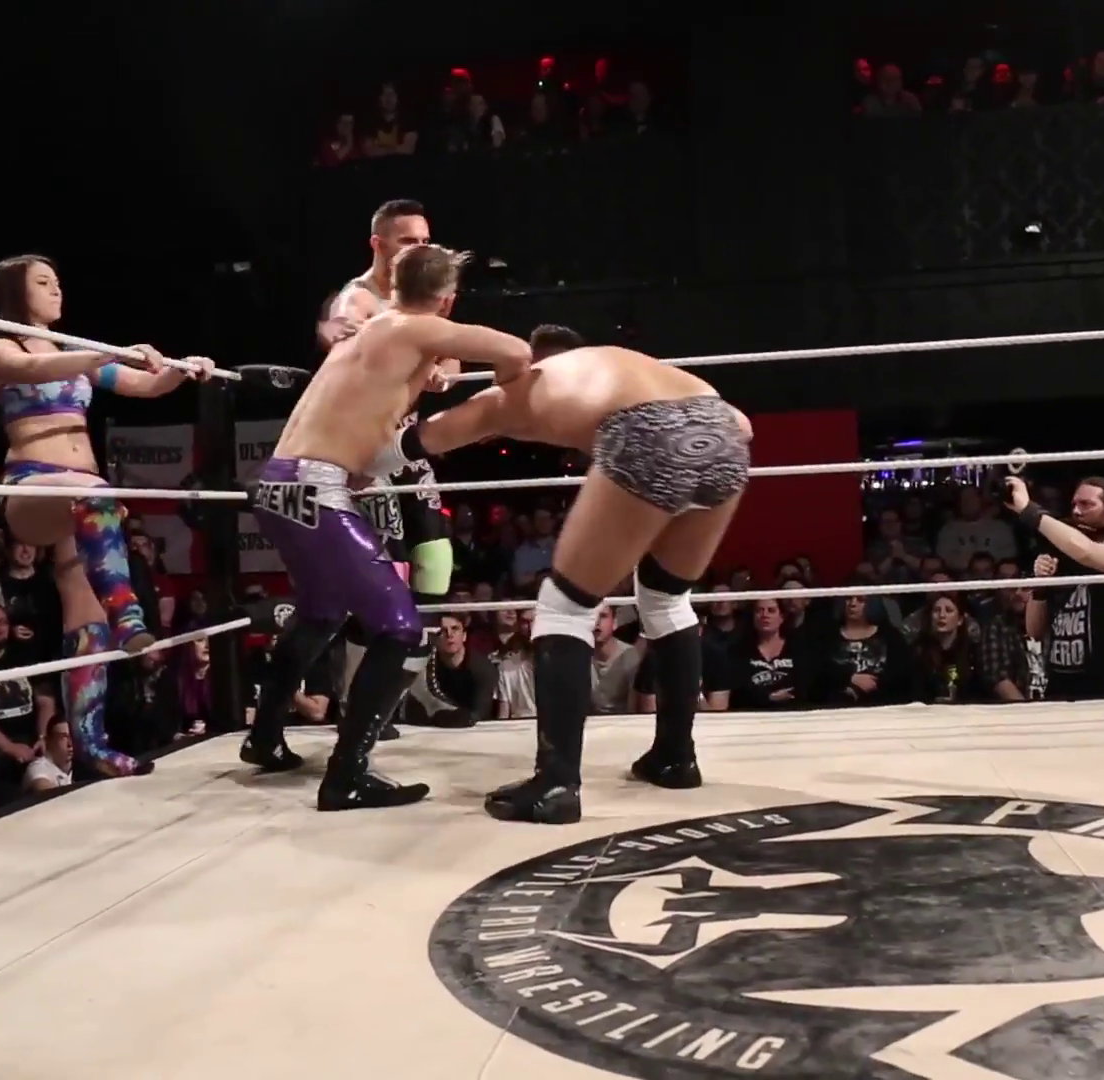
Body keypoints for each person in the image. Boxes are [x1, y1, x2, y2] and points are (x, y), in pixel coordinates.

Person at [362, 327, 752, 824]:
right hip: (722, 431)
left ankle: (556, 784)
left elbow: (424, 439)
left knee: (563, 606)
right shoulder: (622, 364)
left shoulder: (521, 388)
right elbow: (742, 425)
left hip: (650, 433)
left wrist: (354, 462)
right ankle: (676, 759)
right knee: (666, 598)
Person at [241, 243, 531, 811]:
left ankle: (265, 735)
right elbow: (516, 351)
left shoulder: (366, 335)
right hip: (317, 489)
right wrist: (508, 389)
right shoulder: (417, 328)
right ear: (447, 300)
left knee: (322, 612)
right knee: (401, 630)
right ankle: (347, 774)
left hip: (276, 482)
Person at [0, 254, 216, 777]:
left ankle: (91, 743)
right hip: (33, 486)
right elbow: (33, 370)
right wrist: (102, 353)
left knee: (86, 621)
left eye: (58, 281)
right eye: (43, 282)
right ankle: (127, 611)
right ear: (15, 292)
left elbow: (145, 386)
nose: (56, 290)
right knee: (98, 495)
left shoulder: (73, 352)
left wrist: (180, 369)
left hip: (84, 501)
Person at [323, 200, 463, 737]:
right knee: (387, 578)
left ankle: (418, 686)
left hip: (408, 447)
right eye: (408, 241)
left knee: (436, 565)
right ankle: (357, 701)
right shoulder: (358, 298)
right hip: (366, 447)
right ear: (378, 245)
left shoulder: (425, 293)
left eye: (425, 240)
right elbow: (345, 338)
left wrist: (442, 371)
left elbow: (452, 354)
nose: (419, 249)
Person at [1010, 475, 1104, 699]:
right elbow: (1034, 631)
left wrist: (1029, 511)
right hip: (1061, 685)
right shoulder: (1063, 553)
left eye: (1086, 504)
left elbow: (1087, 552)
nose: (1077, 511)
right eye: (1074, 504)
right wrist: (1040, 585)